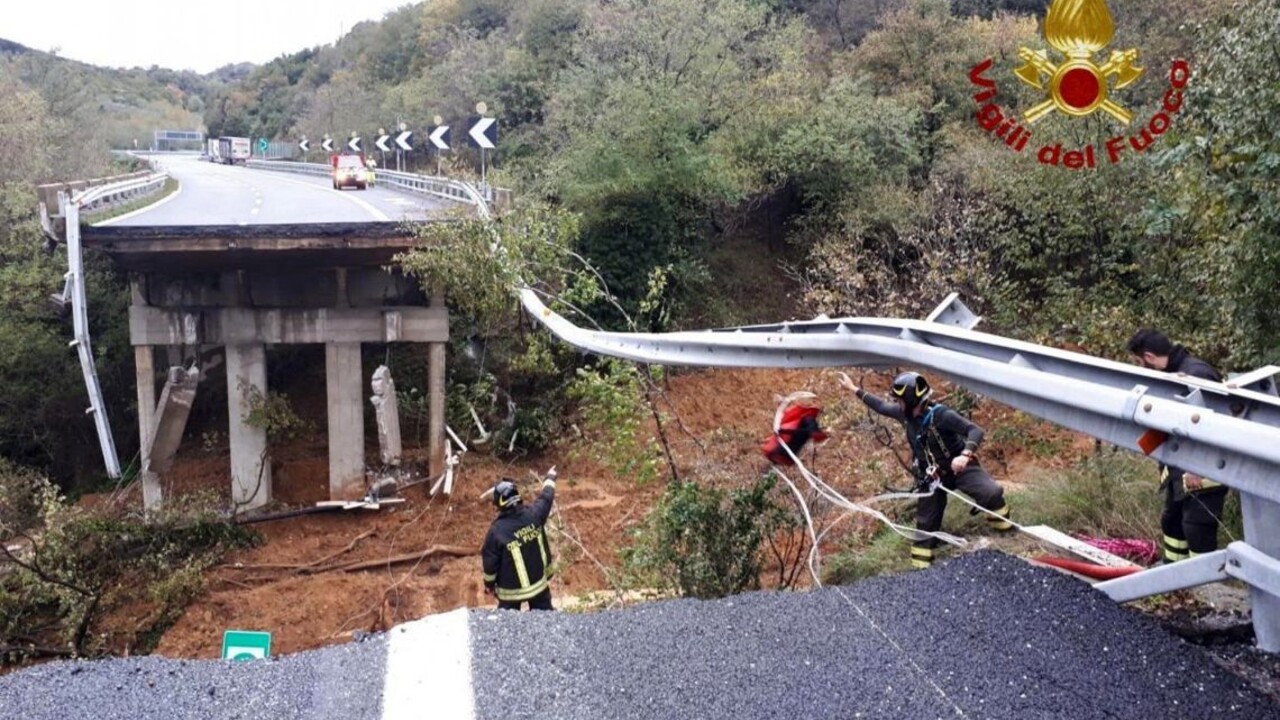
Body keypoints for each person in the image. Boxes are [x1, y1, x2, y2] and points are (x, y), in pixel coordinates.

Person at [841, 371, 1012, 569]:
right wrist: (853, 388)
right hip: (932, 477)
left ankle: (1008, 535)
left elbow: (975, 431)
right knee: (925, 527)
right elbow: (881, 406)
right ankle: (920, 569)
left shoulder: (942, 415)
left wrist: (965, 455)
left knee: (991, 493)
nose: (898, 404)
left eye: (900, 401)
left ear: (911, 401)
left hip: (959, 468)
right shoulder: (903, 414)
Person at [1126, 329, 1228, 562]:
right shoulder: (1171, 374)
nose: (1141, 367)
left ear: (1149, 357)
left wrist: (1197, 467)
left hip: (1204, 470)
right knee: (1172, 523)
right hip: (1178, 469)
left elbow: (1216, 425)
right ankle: (1172, 571)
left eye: (1140, 362)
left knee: (1197, 527)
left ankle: (1202, 578)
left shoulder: (1197, 374)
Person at [481, 467, 557, 610]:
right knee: (546, 619)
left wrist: (489, 585)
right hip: (538, 587)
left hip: (510, 594)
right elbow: (546, 497)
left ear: (499, 504)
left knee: (508, 622)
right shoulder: (534, 515)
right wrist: (550, 478)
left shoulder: (496, 532)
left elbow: (490, 564)